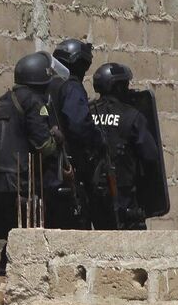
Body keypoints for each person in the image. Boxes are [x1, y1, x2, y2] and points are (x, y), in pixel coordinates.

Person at [0, 52, 60, 305]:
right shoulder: (34, 102)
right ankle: (2, 287)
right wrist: (57, 139)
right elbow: (43, 145)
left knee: (13, 235)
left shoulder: (2, 101)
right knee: (23, 235)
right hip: (17, 180)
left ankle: (2, 289)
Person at [87, 62, 168, 230]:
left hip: (93, 200)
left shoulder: (88, 113)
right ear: (117, 87)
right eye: (125, 85)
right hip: (124, 200)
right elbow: (151, 155)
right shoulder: (131, 116)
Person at [46, 39, 100, 229]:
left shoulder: (46, 84)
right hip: (67, 172)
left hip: (45, 174)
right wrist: (98, 141)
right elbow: (79, 126)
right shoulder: (71, 86)